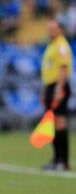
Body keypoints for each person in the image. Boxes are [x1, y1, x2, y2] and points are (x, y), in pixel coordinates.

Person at [41, 19, 72, 171]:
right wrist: (45, 90)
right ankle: (56, 159)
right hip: (50, 86)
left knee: (59, 123)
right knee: (52, 124)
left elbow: (63, 68)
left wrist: (59, 89)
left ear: (60, 30)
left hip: (58, 86)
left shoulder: (61, 45)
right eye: (49, 28)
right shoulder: (52, 45)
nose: (50, 31)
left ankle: (63, 161)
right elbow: (49, 69)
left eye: (53, 28)